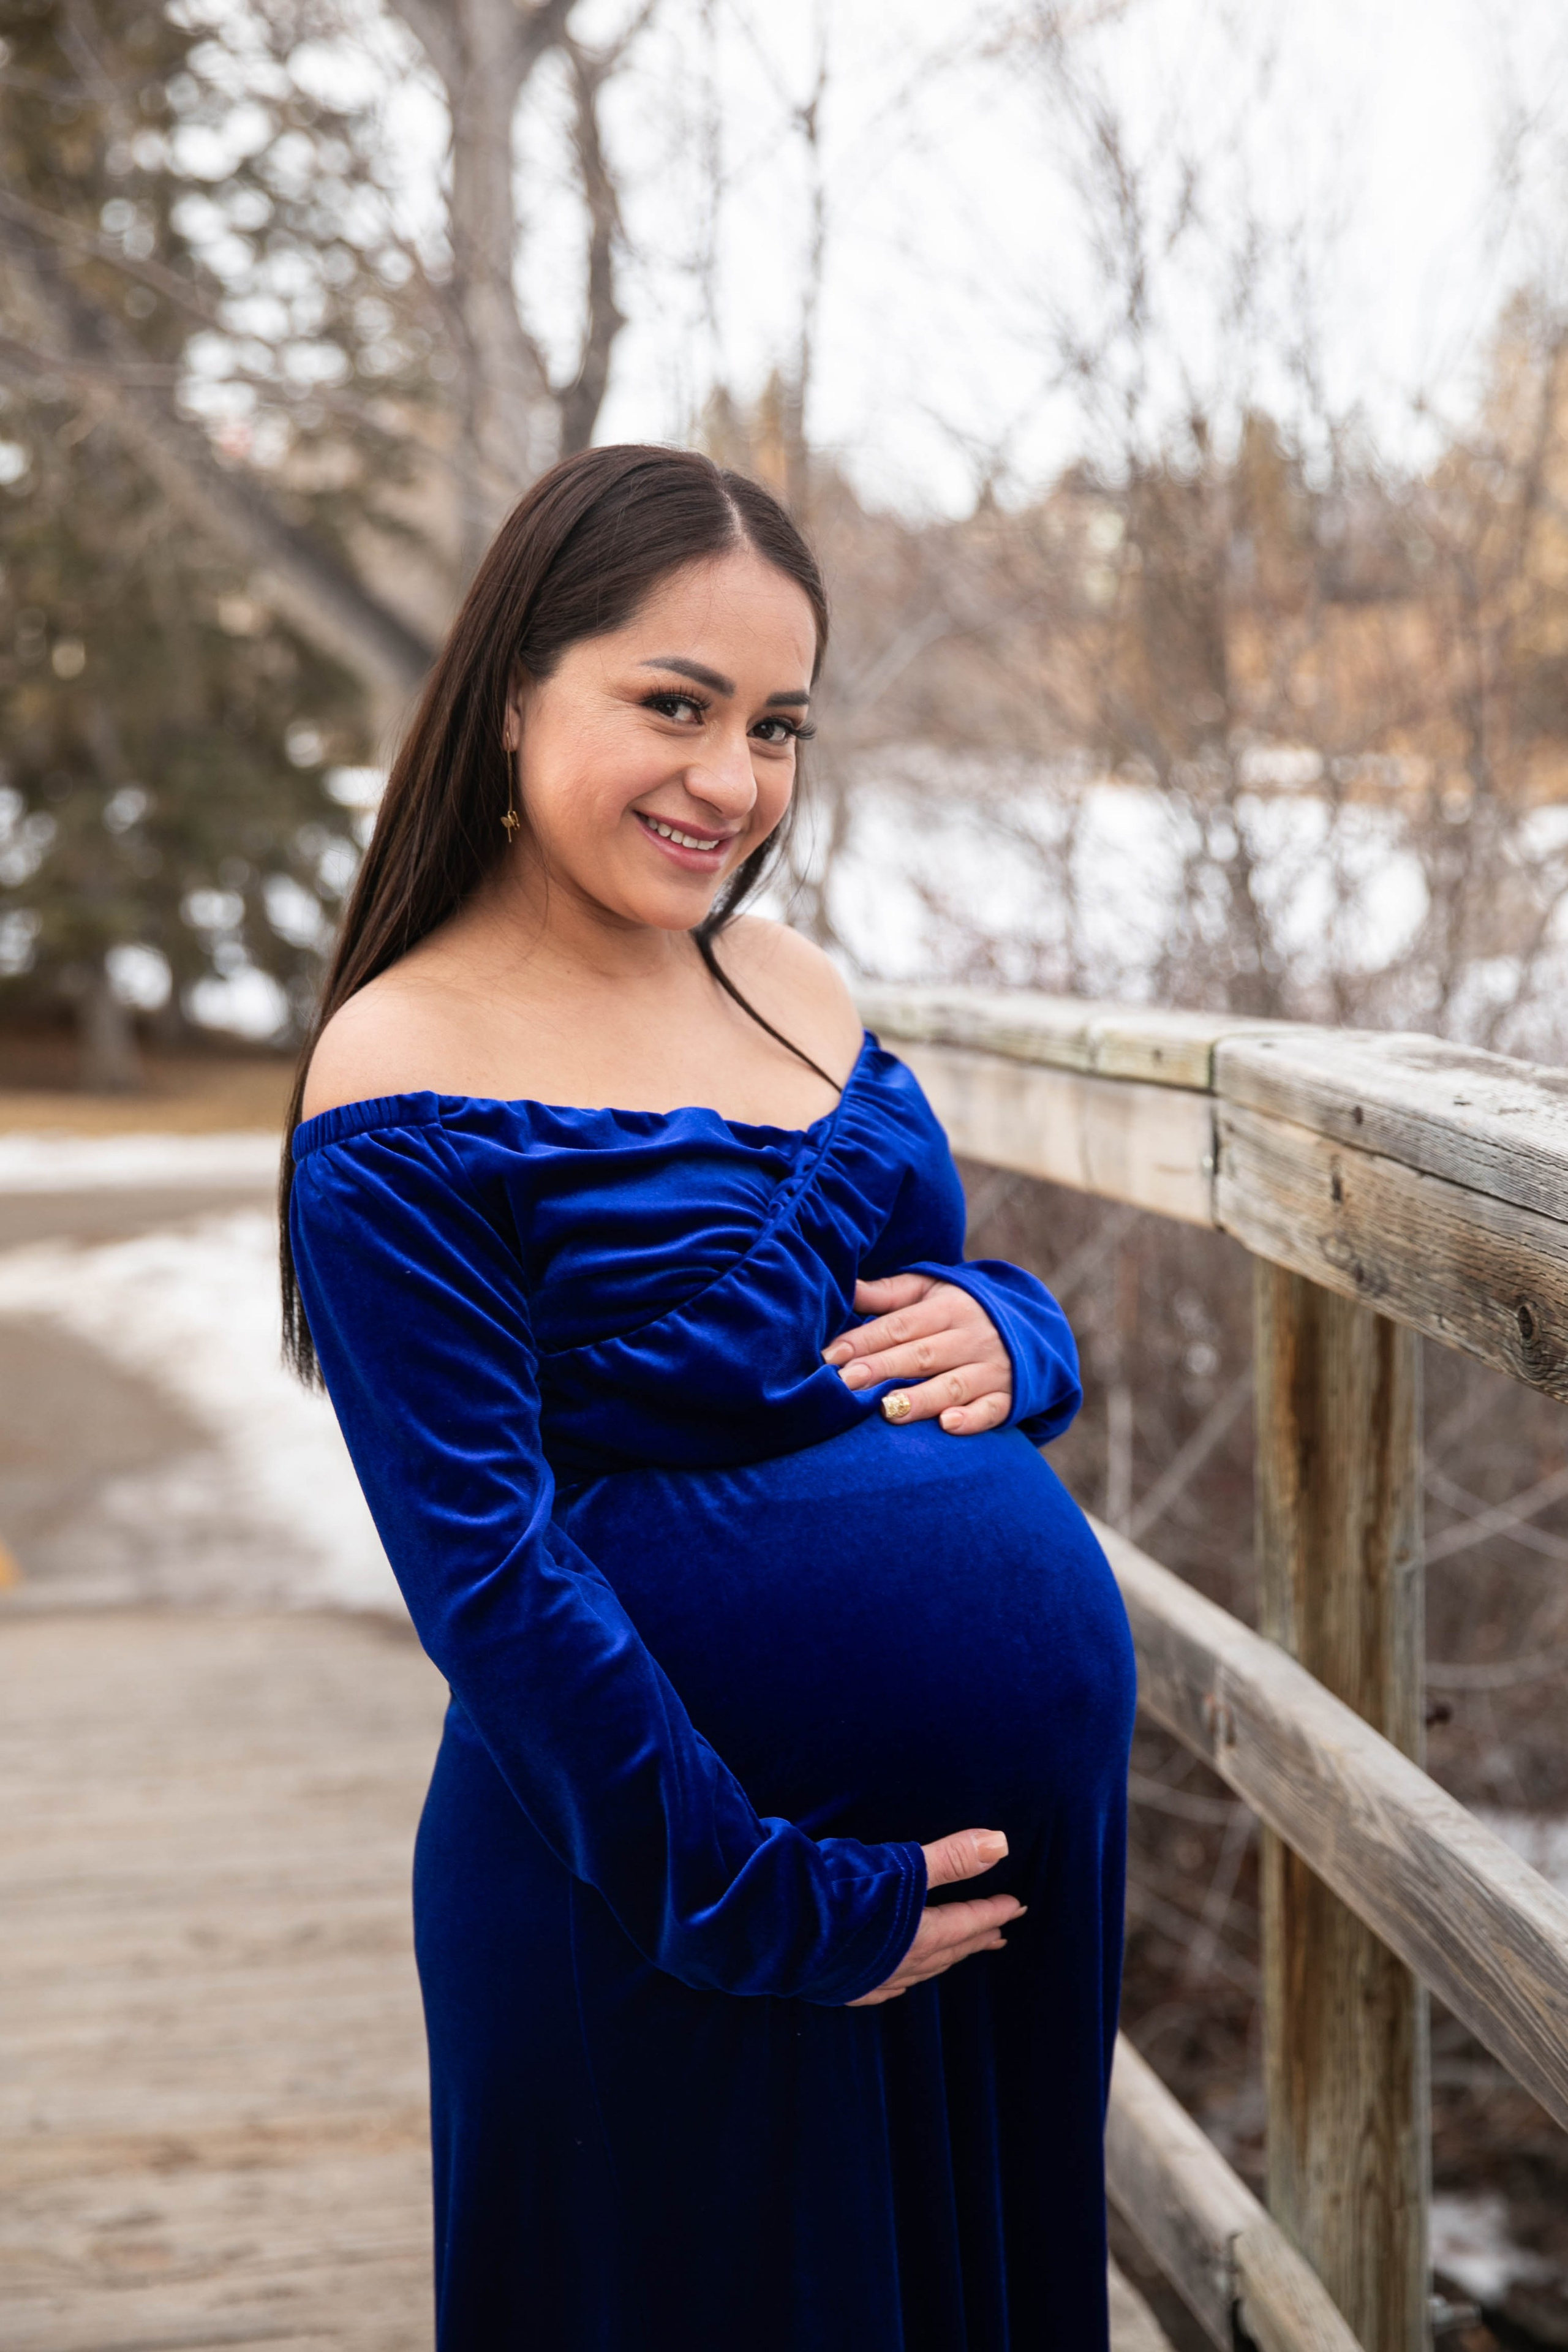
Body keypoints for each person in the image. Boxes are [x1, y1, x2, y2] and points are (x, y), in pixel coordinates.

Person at [281, 443, 1136, 2350]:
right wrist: (767, 1909)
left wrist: (1024, 1331)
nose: (729, 781)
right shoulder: (398, 1068)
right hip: (688, 1905)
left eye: (776, 725)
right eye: (671, 704)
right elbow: (487, 1576)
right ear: (513, 690)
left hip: (996, 1899)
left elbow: (927, 1304)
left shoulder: (786, 981)